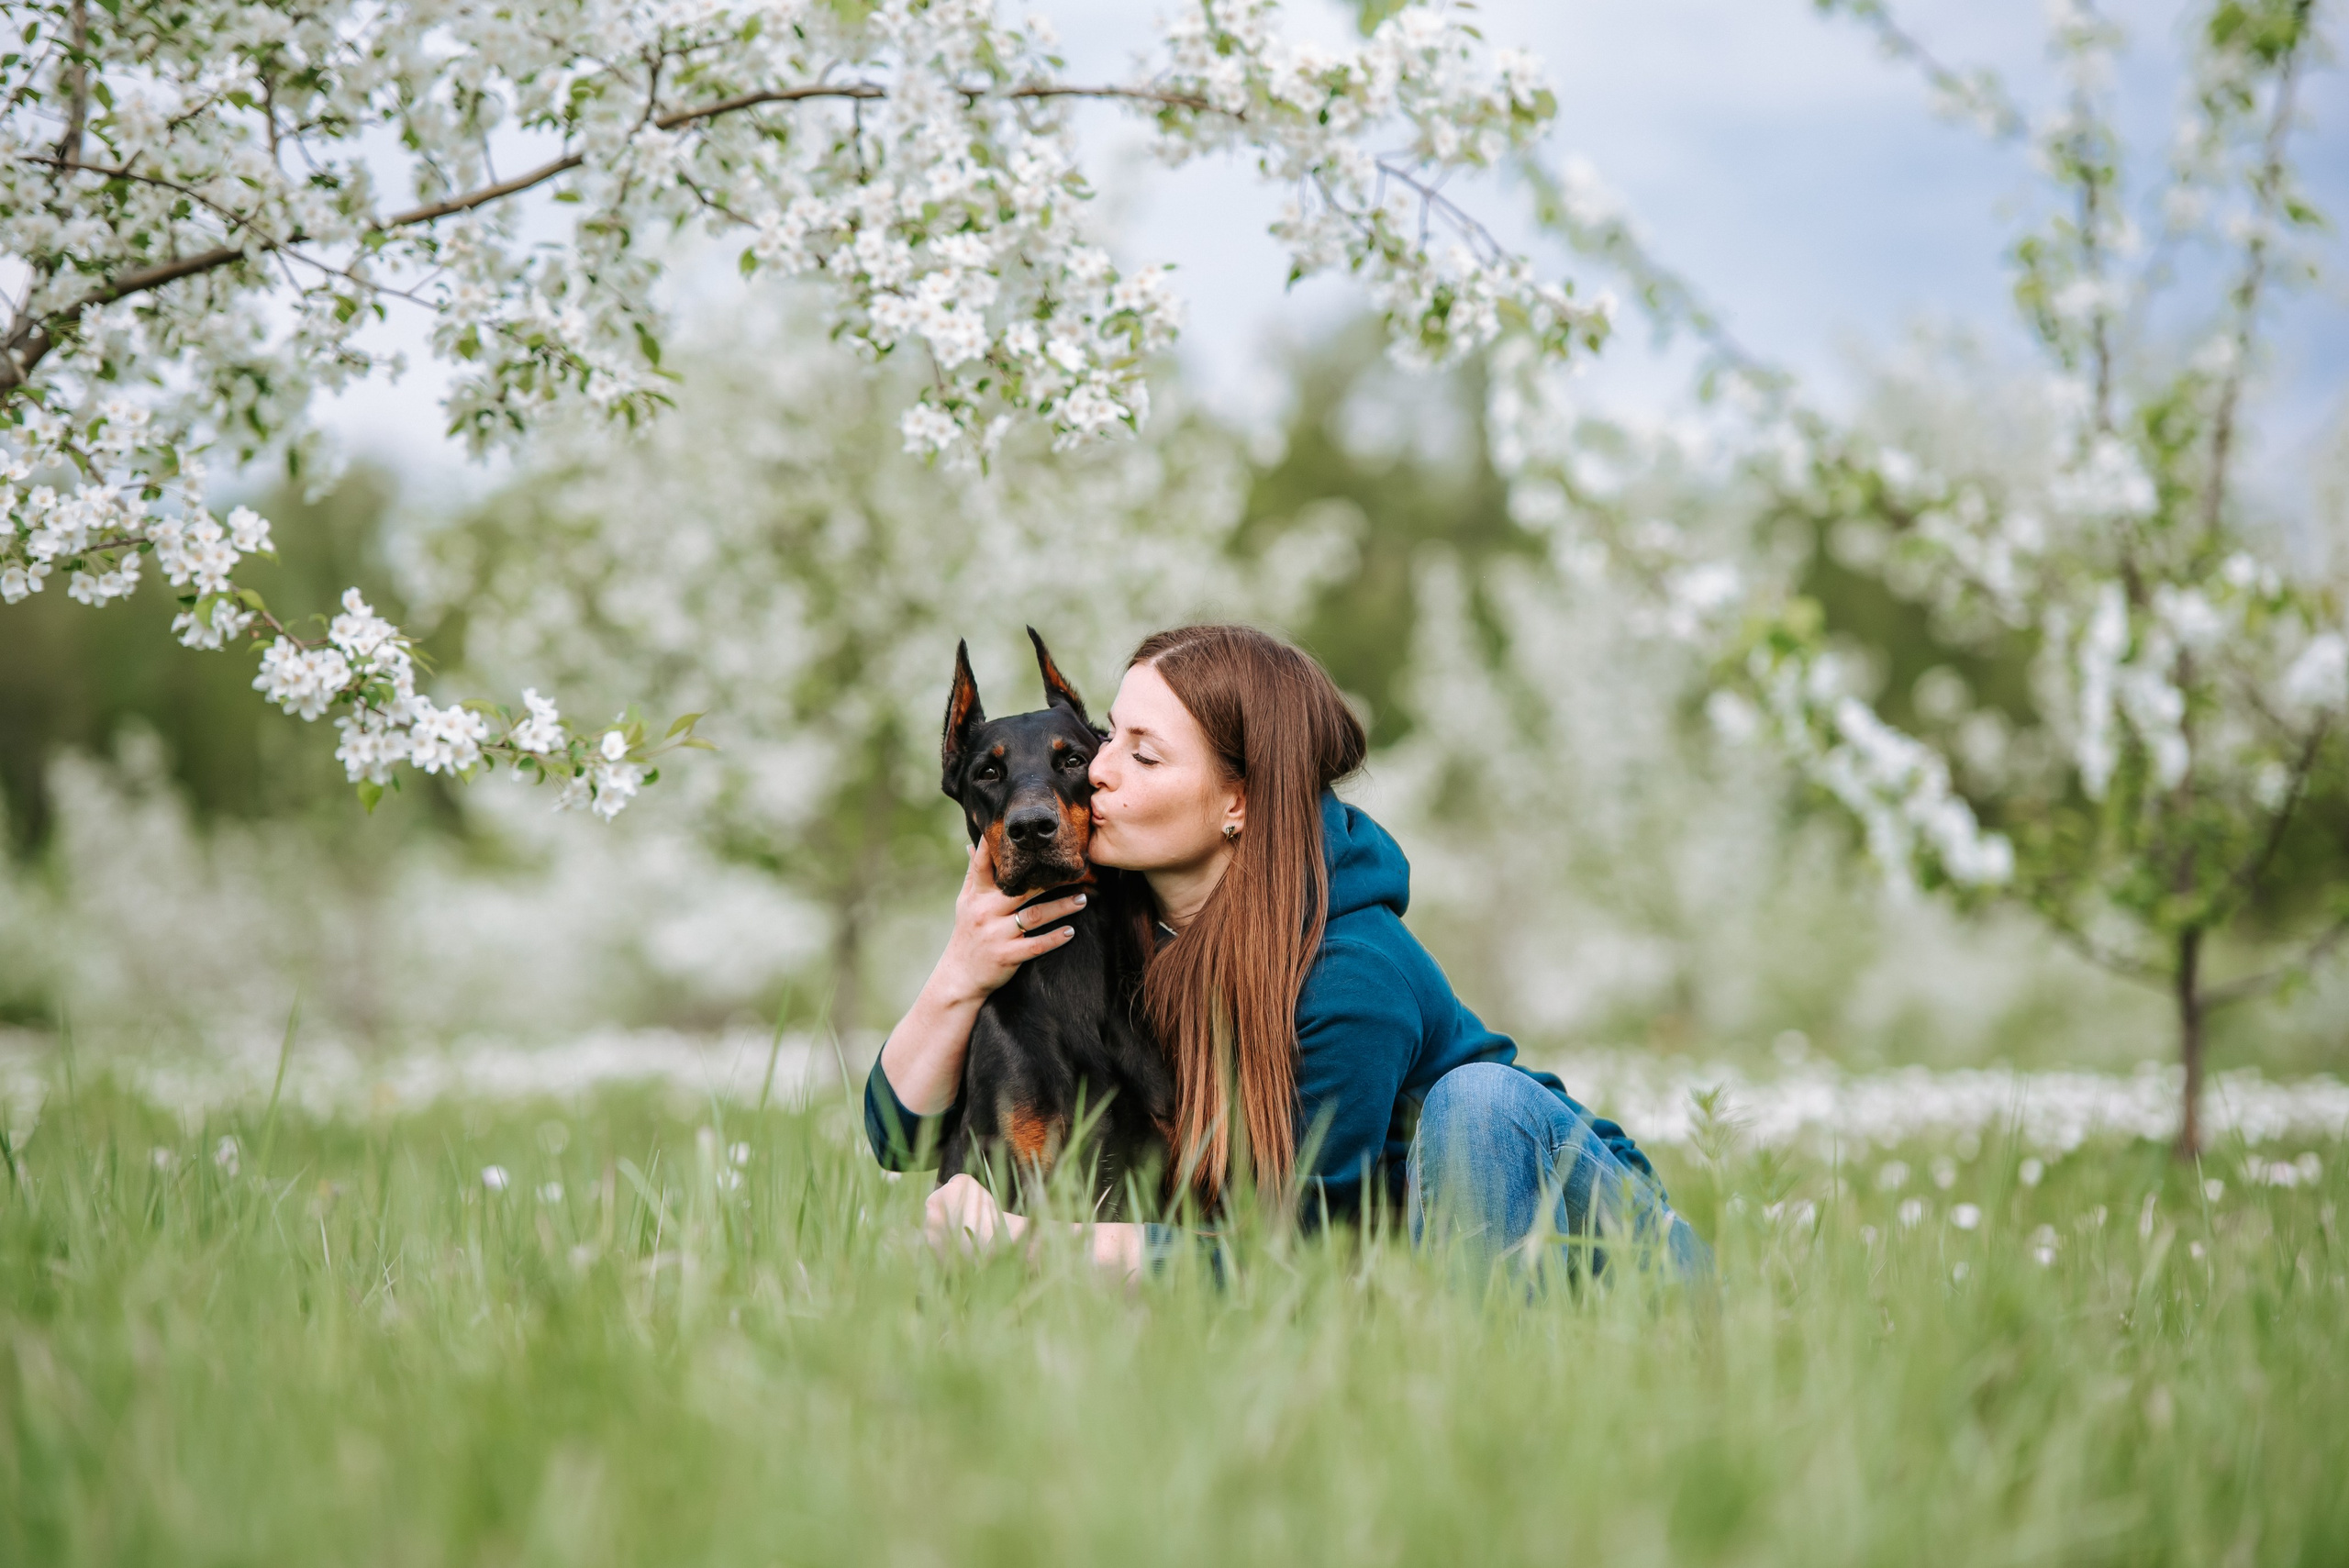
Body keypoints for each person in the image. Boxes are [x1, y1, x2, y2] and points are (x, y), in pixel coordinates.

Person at [866, 623, 1709, 1284]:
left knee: (1476, 1102)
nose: (1096, 777)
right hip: (1390, 1271)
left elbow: (1295, 1261)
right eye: (1109, 737)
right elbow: (896, 1133)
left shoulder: (1351, 970)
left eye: (1139, 753)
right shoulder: (1118, 919)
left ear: (1238, 801)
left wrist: (1039, 1247)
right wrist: (960, 971)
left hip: (1585, 1245)